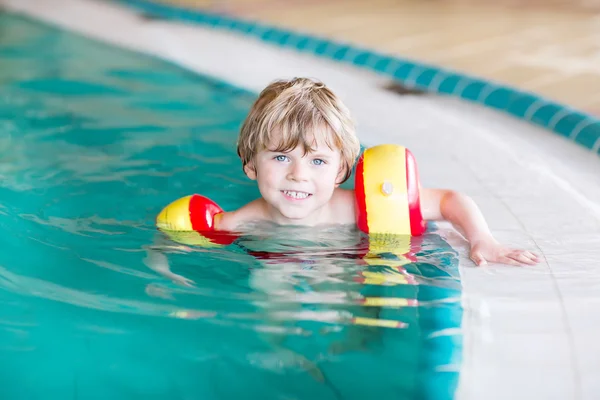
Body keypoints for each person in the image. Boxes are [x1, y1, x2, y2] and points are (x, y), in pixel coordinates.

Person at [211, 77, 539, 267]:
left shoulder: (360, 207)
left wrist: (482, 240)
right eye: (282, 158)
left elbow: (449, 200)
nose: (299, 174)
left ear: (341, 169)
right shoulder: (243, 221)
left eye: (318, 161)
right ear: (251, 164)